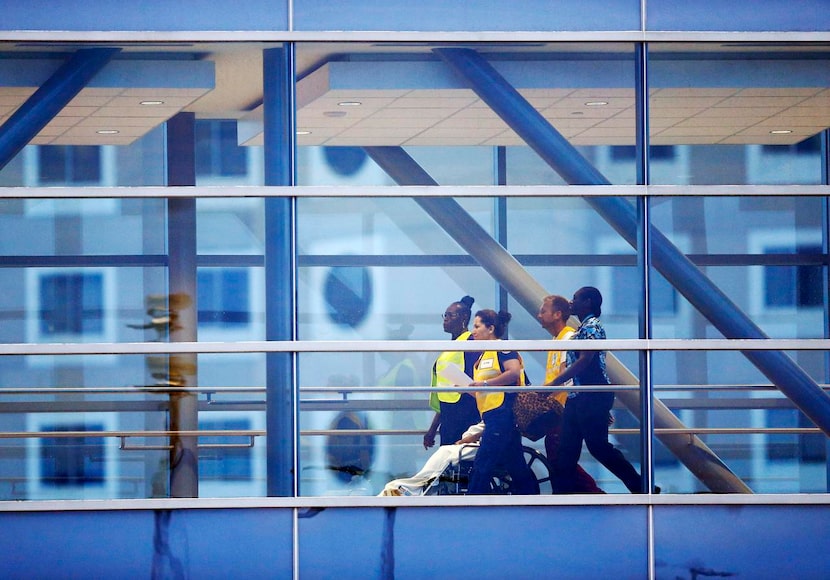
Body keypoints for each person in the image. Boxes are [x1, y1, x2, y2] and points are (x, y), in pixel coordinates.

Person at [550, 287, 643, 494]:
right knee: (567, 449)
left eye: (576, 298)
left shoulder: (592, 327)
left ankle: (641, 487)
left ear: (588, 302)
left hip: (592, 394)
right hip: (580, 395)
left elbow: (585, 360)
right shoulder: (583, 328)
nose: (571, 302)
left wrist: (554, 383)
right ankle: (561, 496)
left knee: (597, 447)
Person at [467, 309, 539, 495]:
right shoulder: (482, 356)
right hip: (492, 413)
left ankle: (471, 503)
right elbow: (488, 390)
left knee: (484, 461)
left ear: (490, 328)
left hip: (502, 413)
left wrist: (484, 383)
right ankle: (531, 500)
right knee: (515, 463)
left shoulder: (502, 347)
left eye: (476, 326)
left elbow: (513, 372)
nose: (472, 331)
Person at [537, 294, 604, 493]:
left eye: (543, 311)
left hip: (565, 408)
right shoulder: (557, 339)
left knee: (562, 457)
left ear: (557, 314)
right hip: (559, 409)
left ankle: (593, 494)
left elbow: (574, 374)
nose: (539, 315)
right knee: (559, 456)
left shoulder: (568, 338)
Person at [423, 296, 482, 449]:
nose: (446, 319)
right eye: (445, 315)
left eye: (451, 315)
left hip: (465, 413)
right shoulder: (451, 347)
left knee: (459, 461)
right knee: (449, 462)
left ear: (464, 317)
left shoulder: (470, 342)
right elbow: (445, 391)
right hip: (449, 413)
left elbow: (474, 378)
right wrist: (432, 429)